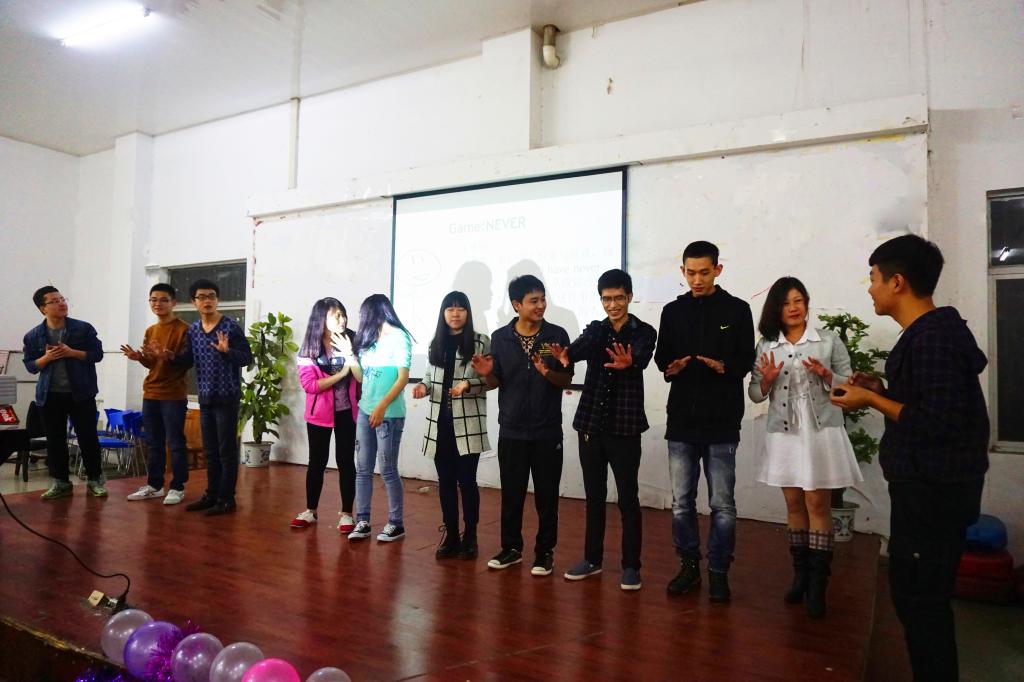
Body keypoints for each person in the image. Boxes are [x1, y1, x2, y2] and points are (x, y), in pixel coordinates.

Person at [830, 234, 989, 681]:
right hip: (928, 488)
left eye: (874, 278)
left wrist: (870, 399)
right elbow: (931, 404)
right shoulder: (927, 335)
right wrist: (882, 389)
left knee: (922, 603)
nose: (870, 288)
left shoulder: (932, 338)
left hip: (933, 492)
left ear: (897, 282)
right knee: (917, 599)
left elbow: (938, 422)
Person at [748, 276, 862, 617]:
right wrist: (766, 382)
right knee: (794, 502)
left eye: (798, 300)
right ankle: (799, 576)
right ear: (776, 309)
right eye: (786, 303)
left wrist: (827, 376)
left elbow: (849, 385)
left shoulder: (828, 340)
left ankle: (818, 583)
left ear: (807, 304)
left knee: (817, 503)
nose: (794, 308)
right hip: (784, 432)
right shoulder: (767, 345)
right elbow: (755, 392)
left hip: (820, 430)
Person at [654, 241, 755, 602]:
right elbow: (661, 357)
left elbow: (746, 359)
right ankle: (689, 566)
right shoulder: (672, 311)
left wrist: (724, 367)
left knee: (722, 504)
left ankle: (719, 570)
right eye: (691, 273)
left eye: (704, 272)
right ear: (682, 271)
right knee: (682, 502)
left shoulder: (738, 310)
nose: (697, 280)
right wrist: (671, 367)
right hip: (681, 420)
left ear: (718, 270)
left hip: (722, 421)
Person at [548, 269, 657, 591]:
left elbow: (642, 356)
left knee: (628, 499)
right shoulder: (596, 330)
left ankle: (631, 567)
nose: (613, 305)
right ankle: (592, 559)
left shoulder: (644, 331)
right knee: (594, 497)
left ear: (629, 297)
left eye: (619, 298)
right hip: (590, 426)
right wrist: (564, 357)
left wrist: (630, 361)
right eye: (607, 299)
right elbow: (575, 351)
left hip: (625, 427)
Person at [471, 275, 572, 577]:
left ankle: (544, 552)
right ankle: (511, 548)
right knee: (512, 494)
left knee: (547, 496)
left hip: (547, 430)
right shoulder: (501, 338)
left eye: (543, 299)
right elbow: (495, 382)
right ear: (517, 305)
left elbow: (565, 379)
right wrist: (487, 373)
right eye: (533, 301)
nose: (541, 305)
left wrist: (547, 372)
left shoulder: (555, 335)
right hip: (512, 430)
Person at [154, 279, 252, 516]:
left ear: (217, 300)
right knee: (210, 452)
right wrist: (169, 356)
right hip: (205, 398)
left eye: (211, 296)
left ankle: (227, 499)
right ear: (194, 302)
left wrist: (227, 352)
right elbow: (187, 360)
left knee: (226, 451)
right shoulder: (194, 330)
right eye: (202, 297)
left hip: (226, 397)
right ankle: (212, 495)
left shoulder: (230, 327)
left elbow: (246, 358)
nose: (207, 301)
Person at [411, 291, 492, 560]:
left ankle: (471, 536)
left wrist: (468, 384)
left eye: (460, 309)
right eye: (450, 309)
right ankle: (452, 534)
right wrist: (422, 387)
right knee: (445, 483)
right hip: (440, 425)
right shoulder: (436, 343)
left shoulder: (480, 342)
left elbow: (491, 380)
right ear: (443, 313)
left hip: (467, 425)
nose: (455, 314)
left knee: (467, 482)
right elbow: (428, 377)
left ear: (468, 312)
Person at [22, 286, 106, 498]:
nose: (61, 303)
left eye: (62, 299)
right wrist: (46, 358)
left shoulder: (83, 328)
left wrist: (72, 352)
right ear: (43, 309)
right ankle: (60, 482)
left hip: (81, 393)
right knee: (55, 440)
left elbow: (97, 355)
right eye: (54, 301)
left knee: (88, 438)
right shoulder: (33, 336)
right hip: (50, 395)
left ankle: (95, 479)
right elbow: (31, 366)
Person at [292, 298, 361, 533]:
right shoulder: (309, 347)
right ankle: (310, 510)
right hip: (319, 414)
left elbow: (363, 375)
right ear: (321, 319)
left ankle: (347, 514)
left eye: (343, 314)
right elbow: (310, 385)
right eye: (336, 315)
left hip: (347, 412)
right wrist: (340, 374)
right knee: (317, 462)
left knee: (346, 461)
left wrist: (350, 355)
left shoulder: (353, 340)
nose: (342, 319)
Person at [348, 294, 413, 542]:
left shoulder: (399, 337)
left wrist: (382, 406)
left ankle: (396, 523)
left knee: (387, 469)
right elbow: (362, 378)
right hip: (366, 410)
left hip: (389, 414)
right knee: (363, 469)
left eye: (363, 314)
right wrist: (350, 356)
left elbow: (403, 378)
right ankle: (362, 521)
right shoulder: (368, 340)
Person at [120, 284, 191, 506]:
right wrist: (139, 357)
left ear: (173, 303)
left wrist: (168, 355)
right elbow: (152, 363)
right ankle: (155, 485)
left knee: (175, 442)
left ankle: (177, 487)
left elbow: (187, 362)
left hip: (173, 394)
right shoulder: (151, 330)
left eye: (163, 299)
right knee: (153, 442)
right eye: (153, 300)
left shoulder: (184, 329)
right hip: (151, 392)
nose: (157, 304)